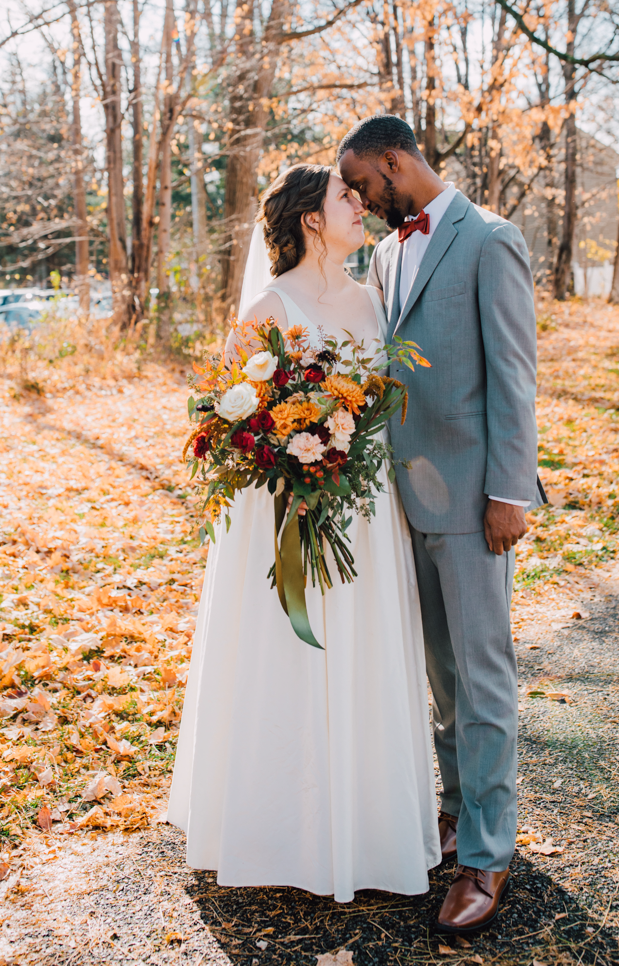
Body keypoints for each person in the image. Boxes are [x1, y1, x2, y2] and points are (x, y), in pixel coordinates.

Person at [167, 163, 441, 903]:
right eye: (345, 198)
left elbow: (388, 399)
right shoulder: (268, 303)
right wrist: (288, 450)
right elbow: (228, 417)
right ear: (312, 220)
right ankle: (277, 825)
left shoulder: (373, 300)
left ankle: (366, 823)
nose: (361, 206)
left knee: (363, 650)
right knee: (286, 654)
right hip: (285, 509)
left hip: (366, 507)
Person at [338, 115, 539, 937]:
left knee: (482, 681)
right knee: (441, 681)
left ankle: (487, 854)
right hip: (401, 501)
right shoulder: (386, 255)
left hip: (471, 500)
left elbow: (514, 376)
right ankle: (455, 813)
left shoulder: (489, 240)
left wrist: (507, 492)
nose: (357, 198)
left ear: (397, 161)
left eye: (360, 183)